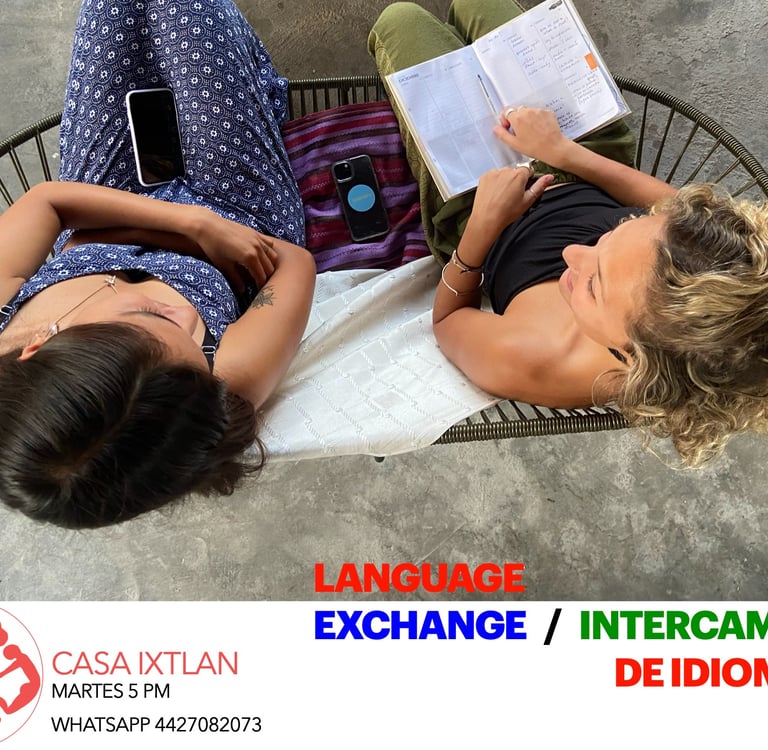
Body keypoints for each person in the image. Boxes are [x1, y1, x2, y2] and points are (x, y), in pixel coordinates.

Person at [370, 0, 768, 467]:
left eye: (594, 286)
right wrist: (560, 151)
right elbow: (673, 207)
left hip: (476, 198)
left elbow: (448, 321)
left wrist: (482, 226)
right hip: (583, 157)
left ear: (634, 361)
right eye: (623, 227)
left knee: (401, 20)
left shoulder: (535, 360)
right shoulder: (692, 262)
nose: (574, 251)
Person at [0, 0, 316, 528]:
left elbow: (47, 202)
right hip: (240, 210)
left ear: (38, 346)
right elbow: (293, 264)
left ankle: (254, 88)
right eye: (196, 344)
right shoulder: (217, 388)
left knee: (110, 6)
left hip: (119, 195)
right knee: (184, 8)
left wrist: (190, 226)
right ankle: (254, 91)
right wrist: (198, 223)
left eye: (148, 315)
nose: (187, 316)